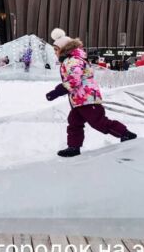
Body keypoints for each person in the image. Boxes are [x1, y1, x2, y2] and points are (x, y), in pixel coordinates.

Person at [46, 28, 137, 157]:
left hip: (87, 99)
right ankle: (73, 147)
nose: (54, 52)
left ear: (64, 49)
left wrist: (56, 92)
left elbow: (74, 80)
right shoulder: (70, 60)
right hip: (79, 100)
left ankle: (125, 133)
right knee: (74, 123)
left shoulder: (73, 61)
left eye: (56, 49)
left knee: (98, 121)